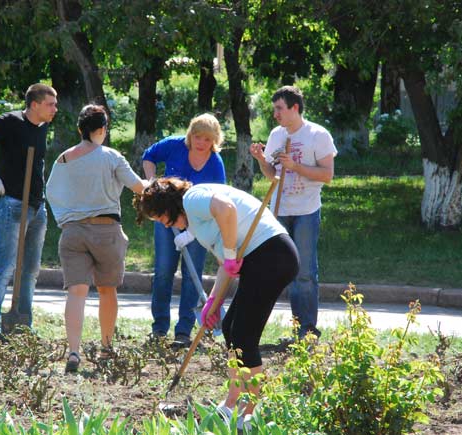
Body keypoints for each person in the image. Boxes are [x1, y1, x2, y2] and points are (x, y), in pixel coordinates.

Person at [134, 177, 299, 428]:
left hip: (272, 255)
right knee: (231, 330)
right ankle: (233, 401)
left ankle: (251, 412)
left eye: (161, 218)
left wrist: (230, 254)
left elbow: (226, 208)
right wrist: (213, 302)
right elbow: (227, 265)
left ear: (168, 205)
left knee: (244, 336)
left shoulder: (192, 199)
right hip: (261, 258)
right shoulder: (197, 222)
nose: (165, 225)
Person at [46, 104, 147, 373]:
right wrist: (157, 184)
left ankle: (74, 352)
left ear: (80, 128)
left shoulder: (63, 159)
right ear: (102, 129)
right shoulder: (111, 157)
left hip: (72, 232)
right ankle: (106, 347)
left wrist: (65, 218)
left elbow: (51, 192)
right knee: (107, 289)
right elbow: (138, 187)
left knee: (76, 292)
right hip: (106, 231)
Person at [0, 83, 58, 339]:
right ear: (35, 104)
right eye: (50, 104)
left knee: (30, 269)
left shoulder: (42, 126)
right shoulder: (11, 122)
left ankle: (22, 324)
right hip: (13, 204)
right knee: (5, 265)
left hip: (38, 206)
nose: (55, 109)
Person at [250, 85, 337, 339]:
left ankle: (307, 331)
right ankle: (288, 329)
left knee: (304, 272)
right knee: (280, 269)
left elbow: (327, 175)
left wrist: (296, 166)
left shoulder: (317, 135)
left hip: (306, 211)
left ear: (295, 108)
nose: (275, 114)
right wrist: (261, 160)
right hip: (279, 210)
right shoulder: (276, 135)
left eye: (279, 108)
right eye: (274, 109)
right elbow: (272, 174)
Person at [141, 113, 226, 347]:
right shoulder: (174, 145)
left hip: (197, 224)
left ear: (214, 140)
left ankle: (184, 331)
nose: (201, 143)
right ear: (190, 134)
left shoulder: (215, 164)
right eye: (197, 137)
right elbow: (149, 156)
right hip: (166, 219)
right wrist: (152, 183)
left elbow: (218, 201)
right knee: (163, 271)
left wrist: (192, 232)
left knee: (192, 275)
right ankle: (159, 328)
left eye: (207, 139)